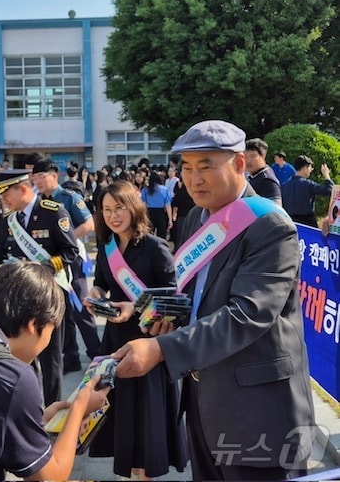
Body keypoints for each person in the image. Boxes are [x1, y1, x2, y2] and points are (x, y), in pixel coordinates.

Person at [112, 120, 315, 482]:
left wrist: (162, 349)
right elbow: (196, 295)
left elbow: (247, 315)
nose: (194, 179)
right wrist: (164, 315)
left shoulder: (270, 226)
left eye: (206, 165)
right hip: (204, 406)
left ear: (239, 164)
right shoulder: (195, 219)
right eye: (186, 168)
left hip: (260, 413)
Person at [0, 260, 110, 481]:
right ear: (33, 324)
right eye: (50, 330)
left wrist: (38, 419)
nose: (49, 340)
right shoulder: (13, 376)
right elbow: (50, 477)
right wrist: (79, 409)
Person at [85, 180, 187, 479]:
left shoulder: (155, 247)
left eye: (119, 208)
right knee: (120, 411)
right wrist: (96, 295)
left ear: (133, 207)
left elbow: (174, 298)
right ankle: (129, 470)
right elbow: (103, 282)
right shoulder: (107, 248)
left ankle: (145, 473)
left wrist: (135, 307)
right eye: (106, 210)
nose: (113, 216)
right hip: (115, 340)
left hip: (149, 343)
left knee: (147, 416)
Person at [0, 170, 80, 405]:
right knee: (20, 353)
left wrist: (42, 267)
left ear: (22, 189)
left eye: (5, 195)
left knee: (50, 357)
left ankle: (52, 407)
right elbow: (0, 252)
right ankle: (28, 404)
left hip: (48, 293)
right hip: (20, 296)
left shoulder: (53, 213)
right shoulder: (9, 220)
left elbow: (70, 252)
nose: (2, 201)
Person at [32, 158, 100, 373]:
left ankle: (97, 355)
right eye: (35, 178)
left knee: (80, 307)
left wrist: (66, 239)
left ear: (54, 175)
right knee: (60, 311)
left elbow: (89, 224)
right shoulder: (38, 201)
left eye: (41, 177)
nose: (38, 181)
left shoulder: (69, 197)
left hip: (71, 259)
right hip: (51, 263)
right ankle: (70, 357)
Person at [281, 155, 334, 228]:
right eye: (310, 167)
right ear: (305, 167)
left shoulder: (284, 186)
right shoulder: (308, 184)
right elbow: (328, 190)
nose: (311, 169)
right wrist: (326, 175)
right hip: (307, 223)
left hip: (289, 222)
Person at [244, 138, 282, 203]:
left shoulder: (267, 180)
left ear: (263, 156)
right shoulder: (252, 176)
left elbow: (276, 209)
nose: (248, 160)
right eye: (245, 156)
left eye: (252, 156)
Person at [139, 171, 173, 239]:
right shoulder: (165, 189)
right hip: (161, 213)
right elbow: (168, 205)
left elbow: (143, 204)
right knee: (162, 235)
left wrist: (143, 216)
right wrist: (170, 219)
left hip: (149, 212)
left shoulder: (145, 190)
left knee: (148, 234)